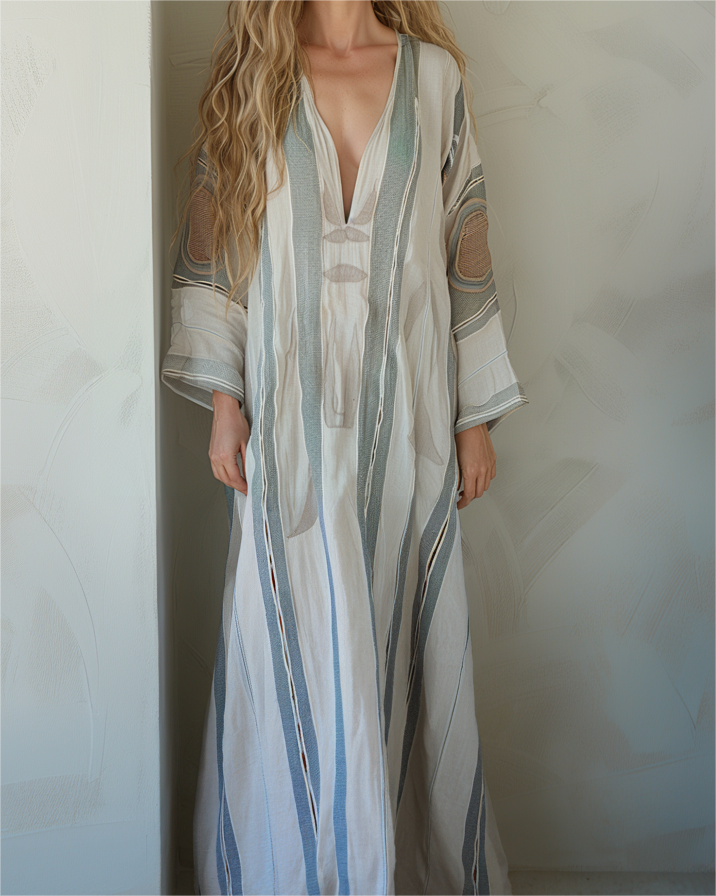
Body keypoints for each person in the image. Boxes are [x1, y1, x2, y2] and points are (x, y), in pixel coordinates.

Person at [161, 0, 528, 893]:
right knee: (288, 640)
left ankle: (393, 867)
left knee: (404, 637)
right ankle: (291, 870)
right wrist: (225, 403)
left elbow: (465, 245)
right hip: (287, 423)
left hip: (411, 424)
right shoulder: (255, 79)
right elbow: (219, 247)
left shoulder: (433, 80)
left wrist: (473, 418)